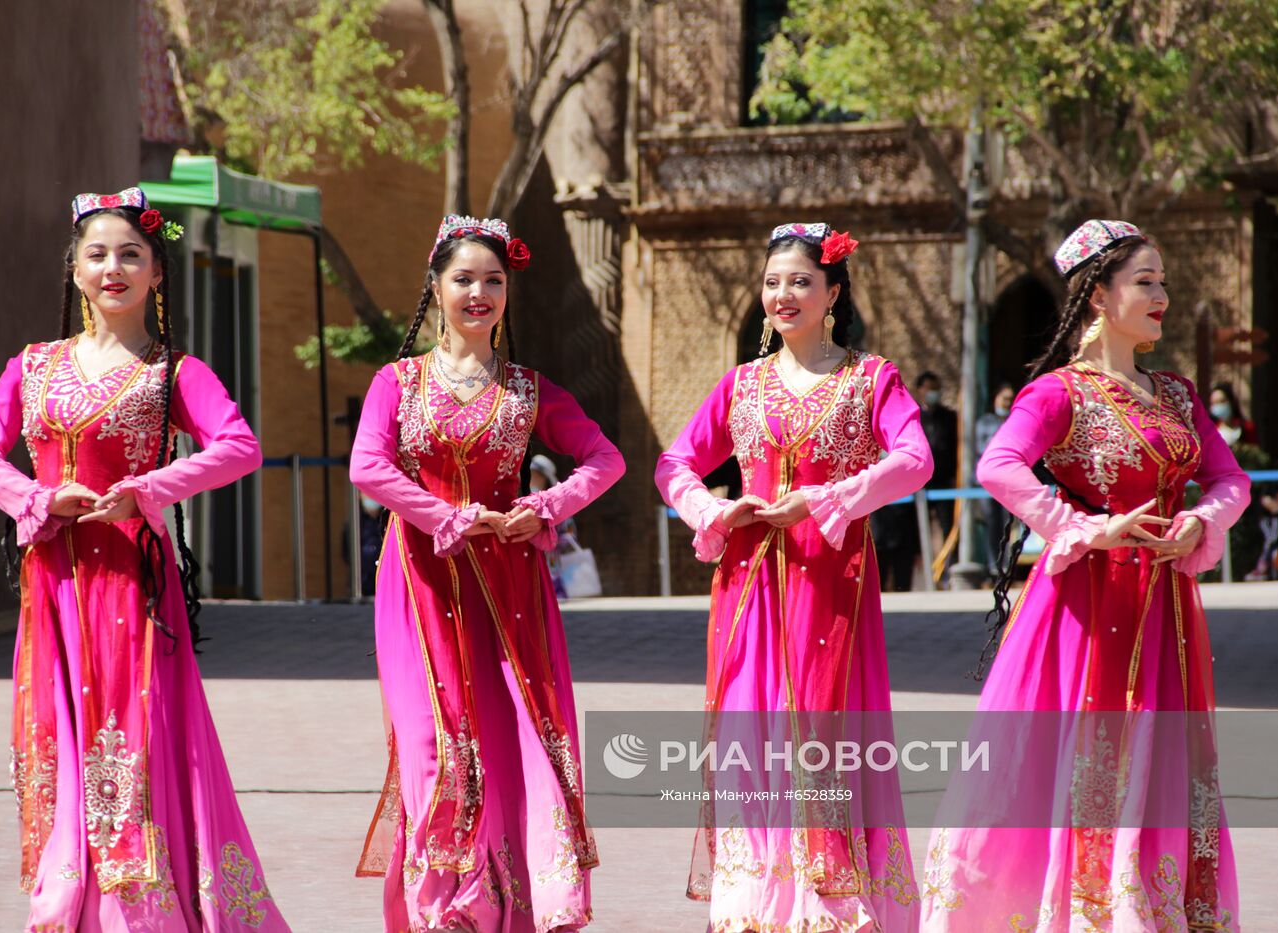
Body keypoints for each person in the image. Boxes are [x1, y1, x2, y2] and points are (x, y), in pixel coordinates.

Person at [0, 188, 290, 930]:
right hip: (54, 583)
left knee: (136, 736)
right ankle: (73, 898)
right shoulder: (34, 366)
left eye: (131, 254)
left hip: (133, 584)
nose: (114, 267)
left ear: (157, 274)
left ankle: (142, 905)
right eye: (98, 254)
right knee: (60, 730)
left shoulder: (175, 372)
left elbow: (240, 446)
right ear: (74, 270)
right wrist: (39, 500)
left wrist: (146, 490)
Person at [922, 220, 1247, 930]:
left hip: (1166, 605)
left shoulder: (1179, 396)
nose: (1162, 294)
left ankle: (1150, 905)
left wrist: (1202, 523)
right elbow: (997, 466)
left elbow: (1231, 480)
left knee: (1162, 755)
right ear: (1098, 295)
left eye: (1163, 281)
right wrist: (1082, 526)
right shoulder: (1059, 393)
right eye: (1145, 282)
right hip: (1085, 607)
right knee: (1086, 753)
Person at [349, 215, 624, 930]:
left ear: (508, 293)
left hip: (509, 587)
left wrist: (546, 505)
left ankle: (506, 902)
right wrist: (445, 515)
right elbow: (368, 466)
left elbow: (605, 459)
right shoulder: (397, 380)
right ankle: (443, 907)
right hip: (420, 585)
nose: (478, 292)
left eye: (492, 281)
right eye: (463, 278)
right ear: (434, 288)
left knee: (508, 736)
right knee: (433, 743)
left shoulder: (529, 390)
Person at [656, 222, 932, 932]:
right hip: (748, 583)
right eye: (773, 281)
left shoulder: (870, 378)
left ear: (832, 291)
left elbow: (916, 459)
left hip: (829, 579)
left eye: (801, 280)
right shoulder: (742, 386)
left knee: (823, 725)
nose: (784, 294)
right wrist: (714, 507)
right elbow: (675, 463)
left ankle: (830, 899)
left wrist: (831, 498)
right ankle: (758, 903)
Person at [914, 370, 957, 558]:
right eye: (930, 389)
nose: (934, 393)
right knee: (915, 528)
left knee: (947, 525)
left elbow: (955, 447)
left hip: (943, 479)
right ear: (919, 390)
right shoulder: (913, 415)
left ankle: (948, 568)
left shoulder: (949, 417)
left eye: (937, 389)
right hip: (917, 482)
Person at [975, 382, 1016, 574]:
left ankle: (1007, 564)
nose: (1007, 403)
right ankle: (993, 565)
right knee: (992, 524)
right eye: (1004, 399)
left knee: (1007, 524)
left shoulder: (1015, 421)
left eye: (1010, 400)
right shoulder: (985, 422)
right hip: (988, 482)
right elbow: (981, 448)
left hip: (1009, 480)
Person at [529, 453, 579, 597]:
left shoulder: (559, 505)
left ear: (542, 477)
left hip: (551, 568)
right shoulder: (522, 498)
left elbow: (570, 534)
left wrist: (549, 540)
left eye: (533, 474)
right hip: (528, 566)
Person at [1208, 381, 1258, 447]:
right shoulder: (1211, 432)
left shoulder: (1247, 428)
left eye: (1222, 401)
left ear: (1231, 402)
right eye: (1214, 403)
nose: (1218, 406)